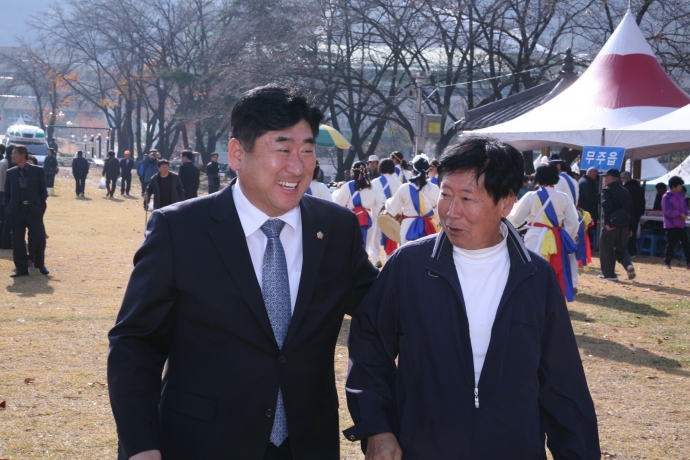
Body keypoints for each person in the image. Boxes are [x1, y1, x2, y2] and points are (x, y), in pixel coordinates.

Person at [108, 84, 378, 460]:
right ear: (237, 154)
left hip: (306, 444)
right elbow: (135, 344)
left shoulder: (336, 228)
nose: (297, 166)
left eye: (307, 150)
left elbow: (383, 313)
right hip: (202, 443)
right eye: (282, 149)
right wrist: (141, 445)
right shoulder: (180, 230)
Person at [344, 136, 600, 459]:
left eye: (467, 198)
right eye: (446, 195)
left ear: (506, 203)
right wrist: (377, 427)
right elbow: (369, 347)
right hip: (423, 447)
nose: (451, 212)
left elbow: (563, 385)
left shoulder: (534, 278)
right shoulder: (408, 267)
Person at [508, 163, 579, 300]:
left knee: (532, 267)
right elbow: (573, 222)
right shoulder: (564, 197)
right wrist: (566, 237)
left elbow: (516, 219)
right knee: (553, 269)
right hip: (556, 239)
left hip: (535, 236)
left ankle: (532, 297)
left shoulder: (531, 196)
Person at [4, 145, 49, 277]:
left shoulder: (37, 171)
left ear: (22, 155)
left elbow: (43, 191)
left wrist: (40, 207)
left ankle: (39, 264)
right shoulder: (10, 173)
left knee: (38, 238)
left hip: (34, 210)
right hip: (17, 211)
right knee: (18, 240)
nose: (12, 156)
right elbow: (7, 194)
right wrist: (9, 209)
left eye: (14, 154)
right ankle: (21, 268)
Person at [384, 155, 440, 245]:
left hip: (407, 228)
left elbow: (393, 209)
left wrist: (387, 202)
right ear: (427, 171)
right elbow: (438, 213)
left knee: (407, 257)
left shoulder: (405, 188)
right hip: (429, 228)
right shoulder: (435, 189)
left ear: (413, 171)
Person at [332, 161, 382, 247]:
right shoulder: (372, 186)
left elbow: (339, 203)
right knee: (364, 247)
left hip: (351, 218)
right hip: (368, 219)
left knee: (350, 246)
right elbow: (379, 202)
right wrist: (375, 217)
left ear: (353, 171)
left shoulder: (348, 186)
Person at [599, 169, 635, 281]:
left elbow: (606, 207)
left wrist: (606, 223)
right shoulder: (625, 191)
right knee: (622, 248)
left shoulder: (607, 191)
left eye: (606, 177)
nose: (604, 179)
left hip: (612, 225)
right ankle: (628, 265)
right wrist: (630, 227)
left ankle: (609, 274)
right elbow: (631, 210)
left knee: (606, 248)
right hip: (624, 224)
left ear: (611, 178)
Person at [369, 159, 402, 266]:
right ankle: (389, 257)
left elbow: (371, 198)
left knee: (375, 236)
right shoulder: (397, 182)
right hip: (392, 210)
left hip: (378, 210)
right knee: (390, 235)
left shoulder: (375, 182)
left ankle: (376, 257)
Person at [661, 175, 690, 269]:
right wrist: (680, 214)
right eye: (679, 185)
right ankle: (667, 263)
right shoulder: (666, 197)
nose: (681, 187)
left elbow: (685, 208)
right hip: (670, 224)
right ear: (673, 186)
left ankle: (688, 263)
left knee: (686, 243)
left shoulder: (681, 196)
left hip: (681, 224)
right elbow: (667, 211)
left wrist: (687, 213)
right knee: (671, 244)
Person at [621, 171, 646, 257]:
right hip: (637, 213)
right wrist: (641, 212)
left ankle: (624, 251)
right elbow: (643, 201)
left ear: (626, 179)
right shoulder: (639, 188)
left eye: (623, 179)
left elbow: (625, 203)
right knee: (633, 232)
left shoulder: (626, 188)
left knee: (625, 232)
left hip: (627, 214)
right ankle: (633, 252)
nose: (622, 180)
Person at [578, 167, 600, 247]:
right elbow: (590, 197)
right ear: (590, 173)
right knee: (587, 230)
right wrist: (601, 198)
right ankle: (588, 245)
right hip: (586, 211)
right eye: (595, 175)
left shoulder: (584, 181)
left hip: (586, 210)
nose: (595, 177)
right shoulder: (585, 183)